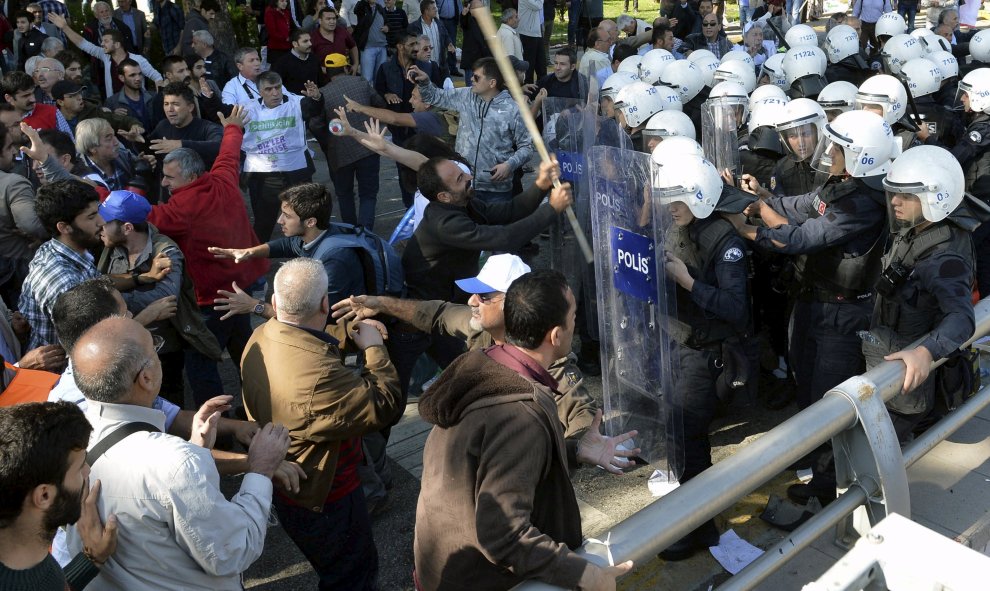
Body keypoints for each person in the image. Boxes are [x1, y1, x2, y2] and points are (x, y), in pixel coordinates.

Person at [412, 269, 635, 589]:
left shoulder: (485, 365)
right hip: (479, 581)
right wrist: (584, 573)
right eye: (573, 316)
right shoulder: (519, 414)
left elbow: (490, 463)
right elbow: (503, 533)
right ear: (557, 335)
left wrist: (571, 450)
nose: (576, 322)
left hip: (442, 569)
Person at [729, 110, 895, 503]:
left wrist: (743, 227)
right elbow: (802, 205)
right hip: (814, 301)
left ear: (860, 156)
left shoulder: (864, 204)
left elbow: (798, 239)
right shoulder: (841, 185)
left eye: (839, 147)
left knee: (828, 401)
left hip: (842, 314)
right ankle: (811, 459)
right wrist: (762, 200)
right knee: (806, 384)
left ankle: (826, 494)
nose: (830, 151)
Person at [63, 315, 290, 589]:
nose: (159, 355)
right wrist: (261, 470)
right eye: (154, 348)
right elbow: (233, 551)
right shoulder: (175, 463)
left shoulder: (69, 444)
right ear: (146, 378)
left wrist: (197, 450)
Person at [241, 257, 401, 589]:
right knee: (351, 574)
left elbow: (305, 337)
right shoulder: (320, 377)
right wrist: (373, 348)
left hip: (289, 484)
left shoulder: (260, 336)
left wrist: (348, 330)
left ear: (273, 303)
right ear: (326, 303)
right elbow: (383, 405)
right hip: (327, 496)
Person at [657, 155, 751, 559]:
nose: (670, 206)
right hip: (677, 342)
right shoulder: (682, 227)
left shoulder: (723, 242)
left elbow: (736, 307)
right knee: (677, 435)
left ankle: (700, 527)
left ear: (699, 196)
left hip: (705, 353)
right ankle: (688, 515)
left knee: (690, 438)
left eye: (677, 198)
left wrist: (687, 281)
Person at [146, 105, 270, 404]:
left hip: (210, 301)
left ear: (189, 177)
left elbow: (139, 214)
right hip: (243, 287)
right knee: (246, 353)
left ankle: (217, 428)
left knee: (202, 366)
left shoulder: (180, 210)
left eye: (169, 178)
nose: (164, 183)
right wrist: (233, 127)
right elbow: (228, 154)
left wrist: (94, 192)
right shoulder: (223, 180)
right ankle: (263, 406)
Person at [867, 146, 975, 440]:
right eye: (895, 193)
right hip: (888, 349)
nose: (896, 202)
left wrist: (925, 352)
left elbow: (961, 317)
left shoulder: (944, 257)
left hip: (907, 377)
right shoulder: (915, 226)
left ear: (934, 198)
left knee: (877, 443)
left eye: (908, 195)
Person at [0, 402, 118, 590]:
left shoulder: (27, 557)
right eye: (80, 467)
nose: (88, 471)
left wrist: (92, 559)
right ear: (44, 496)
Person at [411, 57, 533, 202]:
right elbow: (434, 97)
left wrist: (509, 165)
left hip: (496, 189)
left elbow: (527, 147)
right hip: (464, 185)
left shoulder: (513, 109)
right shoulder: (466, 95)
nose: (471, 79)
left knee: (497, 224)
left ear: (492, 83)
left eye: (477, 77)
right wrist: (424, 81)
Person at [315, 53, 387, 228]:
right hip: (368, 146)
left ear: (326, 71)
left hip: (339, 153)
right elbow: (380, 105)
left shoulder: (322, 93)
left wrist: (329, 143)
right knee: (368, 194)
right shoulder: (361, 82)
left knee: (344, 195)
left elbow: (316, 124)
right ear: (347, 68)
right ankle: (365, 232)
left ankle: (350, 232)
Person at [48, 13, 162, 100]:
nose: (102, 44)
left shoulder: (138, 60)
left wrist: (157, 102)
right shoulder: (104, 55)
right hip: (115, 108)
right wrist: (65, 27)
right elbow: (83, 44)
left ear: (117, 45)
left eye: (106, 41)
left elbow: (158, 78)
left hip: (139, 107)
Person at [0, 122, 46, 308]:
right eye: (9, 146)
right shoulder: (13, 183)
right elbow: (31, 224)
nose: (14, 152)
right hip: (18, 276)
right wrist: (49, 233)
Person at [103, 59, 155, 133]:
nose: (138, 78)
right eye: (132, 75)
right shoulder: (112, 103)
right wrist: (113, 116)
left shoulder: (154, 97)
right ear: (122, 78)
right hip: (129, 143)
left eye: (140, 74)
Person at [407, 0, 453, 79]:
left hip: (440, 66)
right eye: (433, 8)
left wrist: (449, 43)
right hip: (423, 67)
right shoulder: (414, 27)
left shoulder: (439, 24)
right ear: (426, 11)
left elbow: (446, 36)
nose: (436, 10)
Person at [273, 28, 323, 94]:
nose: (310, 44)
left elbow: (321, 82)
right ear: (295, 44)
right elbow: (277, 87)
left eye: (310, 40)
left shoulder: (314, 58)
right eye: (305, 41)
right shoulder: (282, 63)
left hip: (315, 99)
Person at [311, 7, 359, 73]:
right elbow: (309, 60)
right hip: (323, 78)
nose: (332, 21)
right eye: (328, 19)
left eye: (334, 19)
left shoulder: (342, 32)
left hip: (343, 75)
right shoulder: (313, 38)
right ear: (320, 21)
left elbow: (353, 46)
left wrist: (355, 64)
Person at [265, 0, 294, 66]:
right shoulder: (270, 12)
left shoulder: (286, 12)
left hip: (288, 46)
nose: (285, 3)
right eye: (282, 1)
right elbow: (272, 32)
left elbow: (291, 27)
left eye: (286, 1)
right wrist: (285, 38)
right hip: (276, 49)